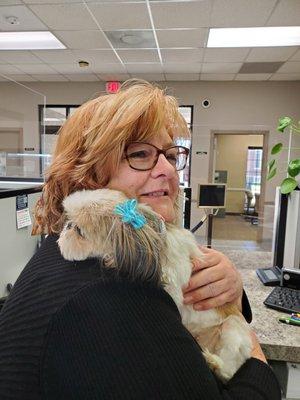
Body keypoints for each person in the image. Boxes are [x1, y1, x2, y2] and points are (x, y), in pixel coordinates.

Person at [0, 80, 281, 400]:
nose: (168, 171)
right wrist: (256, 354)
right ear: (85, 173)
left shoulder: (76, 248)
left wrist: (230, 290)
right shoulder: (112, 291)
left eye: (171, 156)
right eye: (140, 154)